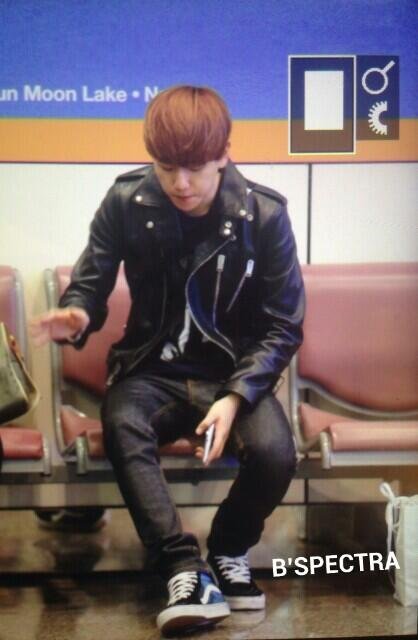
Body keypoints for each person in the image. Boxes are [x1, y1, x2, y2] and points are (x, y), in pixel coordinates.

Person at [30, 85, 305, 636]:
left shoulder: (264, 214)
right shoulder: (127, 201)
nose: (179, 183)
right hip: (149, 369)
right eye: (165, 167)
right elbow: (91, 281)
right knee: (122, 421)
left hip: (230, 374)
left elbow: (283, 324)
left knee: (276, 453)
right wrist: (77, 314)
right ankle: (183, 570)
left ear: (223, 154)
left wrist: (236, 396)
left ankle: (228, 550)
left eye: (194, 168)